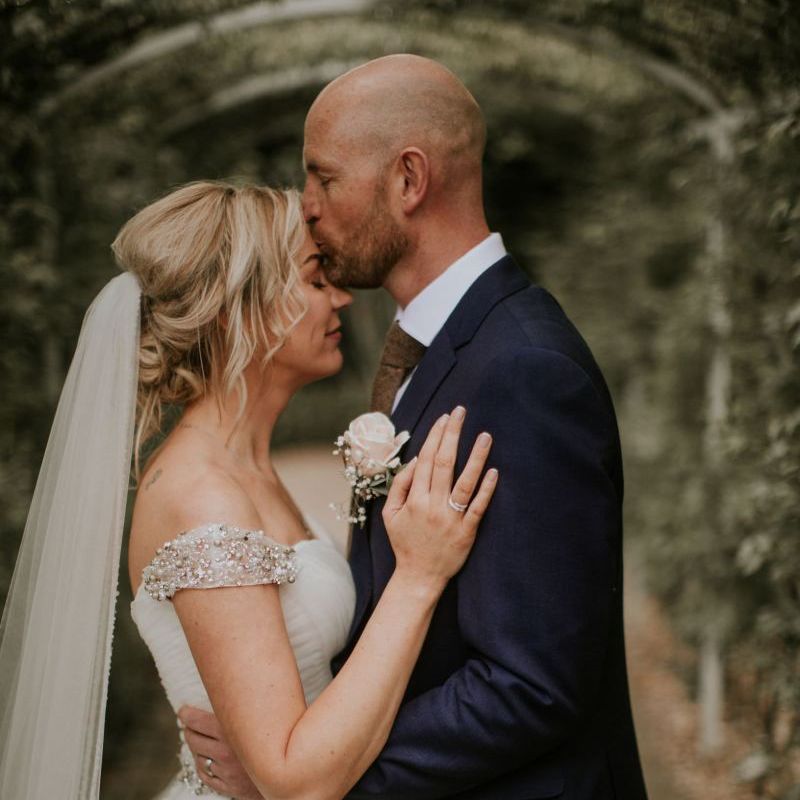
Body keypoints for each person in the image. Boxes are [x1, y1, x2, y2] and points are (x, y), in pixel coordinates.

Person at [181, 55, 650, 799]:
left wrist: (310, 776)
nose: (306, 207)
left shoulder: (525, 368)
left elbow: (531, 683)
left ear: (408, 179)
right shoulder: (436, 348)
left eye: (324, 178)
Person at [0, 180, 498, 799]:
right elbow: (293, 779)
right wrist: (419, 578)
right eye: (315, 279)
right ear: (239, 310)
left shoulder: (245, 470)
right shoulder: (202, 496)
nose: (340, 297)